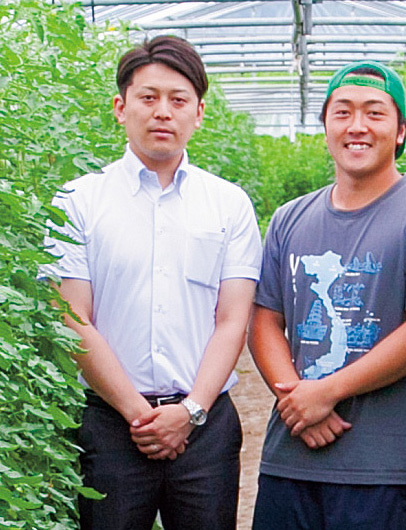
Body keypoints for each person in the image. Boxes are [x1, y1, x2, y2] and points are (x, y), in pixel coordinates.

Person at [42, 36, 262, 530]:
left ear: (199, 113)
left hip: (205, 429)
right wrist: (139, 414)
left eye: (178, 100)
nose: (163, 111)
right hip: (111, 424)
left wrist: (192, 411)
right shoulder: (78, 202)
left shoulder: (229, 205)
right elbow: (73, 318)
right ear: (121, 108)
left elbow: (232, 322)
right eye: (148, 97)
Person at [248, 60, 406, 530]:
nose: (357, 126)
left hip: (383, 468)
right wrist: (299, 406)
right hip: (289, 459)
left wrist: (326, 392)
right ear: (325, 126)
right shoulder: (289, 219)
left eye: (375, 113)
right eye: (342, 112)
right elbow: (265, 320)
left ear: (401, 130)